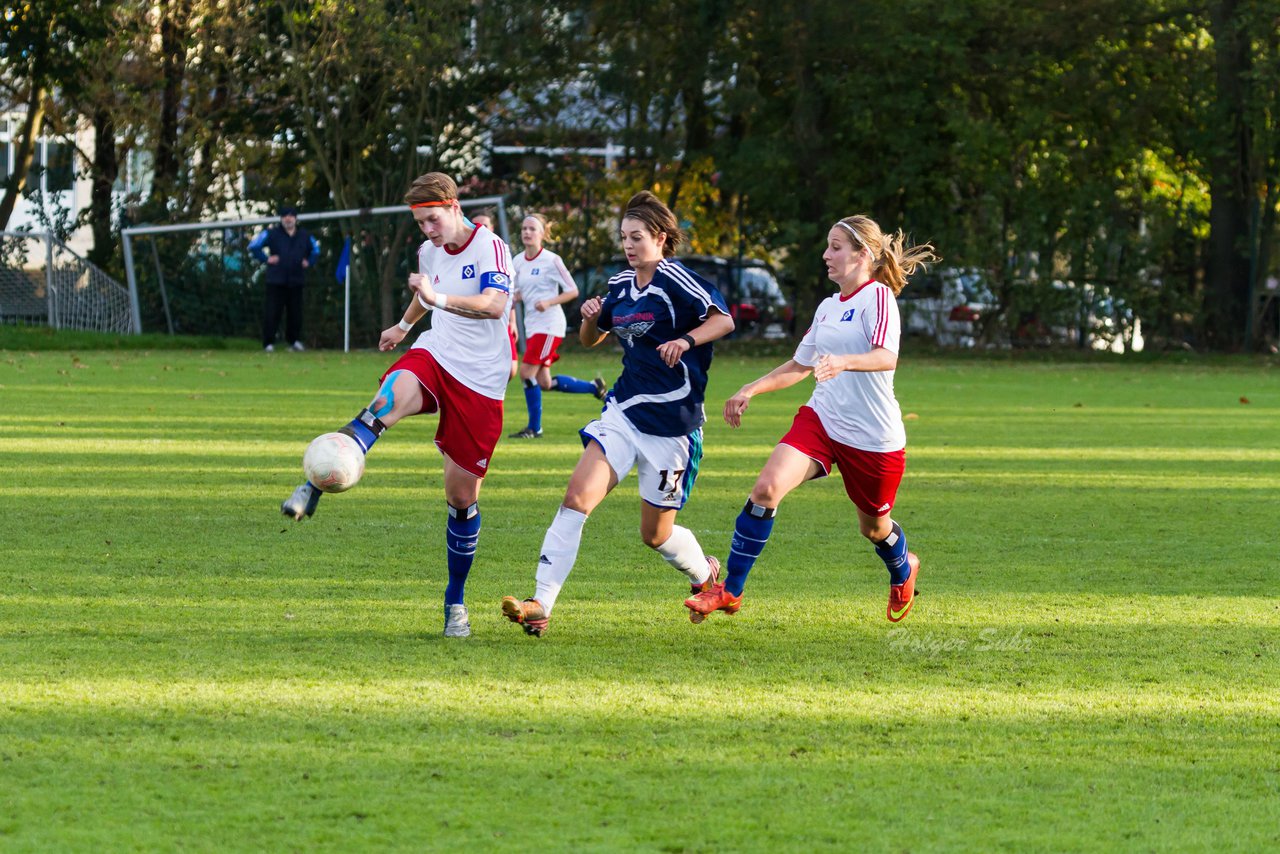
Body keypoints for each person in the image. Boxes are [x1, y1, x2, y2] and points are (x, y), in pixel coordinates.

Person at [280, 173, 514, 638]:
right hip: (437, 351)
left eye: (433, 219)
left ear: (453, 207)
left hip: (482, 380)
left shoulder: (490, 246)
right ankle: (315, 485)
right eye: (420, 222)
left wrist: (436, 297)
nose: (427, 230)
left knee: (461, 498)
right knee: (386, 400)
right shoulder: (428, 252)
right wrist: (404, 327)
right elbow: (423, 297)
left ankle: (455, 603)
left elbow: (494, 304)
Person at [501, 191, 735, 637]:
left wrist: (686, 341)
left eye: (637, 237)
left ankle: (705, 576)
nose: (628, 245)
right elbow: (590, 339)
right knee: (576, 499)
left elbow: (723, 321)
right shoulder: (619, 285)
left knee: (656, 536)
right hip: (624, 412)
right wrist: (589, 317)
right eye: (624, 237)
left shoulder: (676, 279)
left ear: (661, 238)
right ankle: (540, 603)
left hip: (674, 425)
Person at [684, 215, 938, 625]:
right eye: (828, 245)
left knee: (874, 529)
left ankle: (903, 568)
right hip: (822, 420)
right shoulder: (826, 307)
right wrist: (749, 388)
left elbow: (886, 356)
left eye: (836, 247)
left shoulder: (878, 298)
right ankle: (731, 590)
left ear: (864, 254)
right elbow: (800, 365)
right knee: (766, 488)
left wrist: (843, 361)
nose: (826, 255)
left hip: (873, 437)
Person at [509, 213, 606, 438]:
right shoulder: (517, 261)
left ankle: (535, 428)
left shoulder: (552, 260)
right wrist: (517, 299)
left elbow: (573, 290)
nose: (527, 232)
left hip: (550, 326)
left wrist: (549, 302)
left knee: (525, 372)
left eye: (532, 229)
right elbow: (518, 292)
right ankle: (594, 387)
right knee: (543, 382)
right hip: (532, 326)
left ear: (542, 234)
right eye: (524, 228)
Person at [250, 206, 320, 352]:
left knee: (296, 313)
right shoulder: (271, 233)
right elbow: (254, 246)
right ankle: (268, 343)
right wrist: (266, 258)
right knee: (272, 312)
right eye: (285, 216)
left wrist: (309, 261)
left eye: (291, 216)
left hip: (296, 280)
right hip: (276, 280)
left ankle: (293, 341)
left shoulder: (305, 235)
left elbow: (316, 250)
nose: (288, 219)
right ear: (281, 219)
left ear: (295, 218)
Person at [472, 211, 520, 380]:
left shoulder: (500, 251)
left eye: (484, 225)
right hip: (477, 323)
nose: (480, 229)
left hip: (501, 319)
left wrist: (513, 321)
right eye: (476, 225)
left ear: (492, 227)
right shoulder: (469, 254)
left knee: (511, 370)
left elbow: (508, 290)